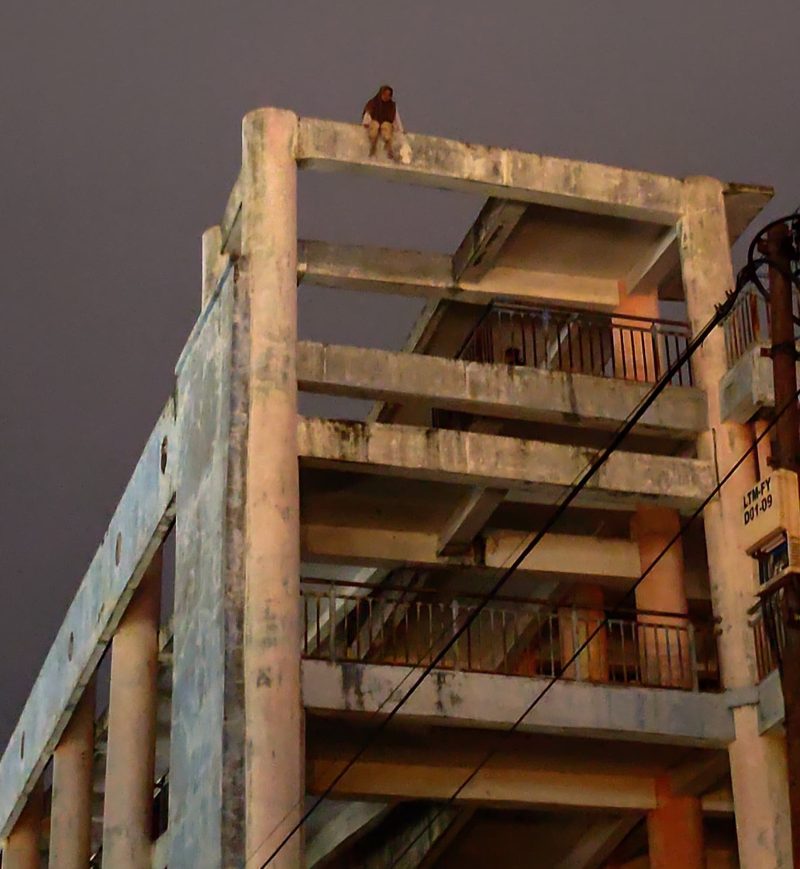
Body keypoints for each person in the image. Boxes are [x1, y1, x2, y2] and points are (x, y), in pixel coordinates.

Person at [362, 85, 403, 159]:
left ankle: (389, 150)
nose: (386, 96)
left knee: (386, 127)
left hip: (386, 124)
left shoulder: (392, 106)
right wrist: (366, 122)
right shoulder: (373, 103)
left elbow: (396, 118)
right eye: (385, 94)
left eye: (388, 95)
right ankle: (372, 148)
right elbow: (368, 114)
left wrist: (400, 129)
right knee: (375, 126)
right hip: (374, 123)